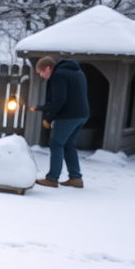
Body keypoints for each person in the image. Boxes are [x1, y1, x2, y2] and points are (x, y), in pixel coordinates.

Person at [31, 55, 90, 188]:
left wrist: (43, 111)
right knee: (69, 145)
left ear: (48, 68)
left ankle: (52, 178)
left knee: (56, 144)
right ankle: (75, 178)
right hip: (82, 114)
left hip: (69, 115)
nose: (41, 76)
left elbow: (59, 101)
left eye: (41, 72)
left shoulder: (59, 75)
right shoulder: (77, 72)